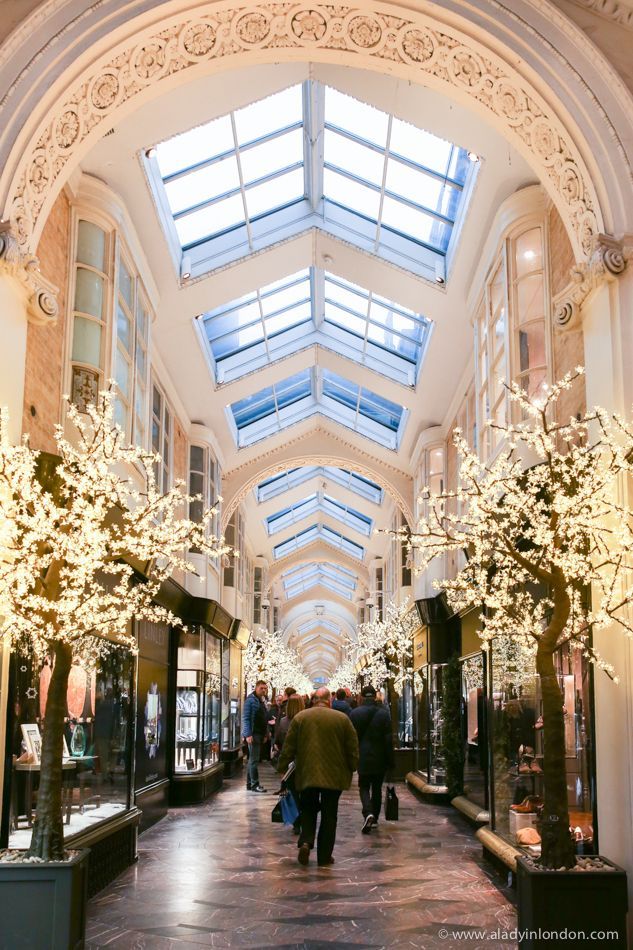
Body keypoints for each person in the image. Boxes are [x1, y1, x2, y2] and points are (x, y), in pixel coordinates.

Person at [278, 687, 359, 868]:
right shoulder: (342, 719)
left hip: (307, 774)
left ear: (314, 700)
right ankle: (324, 856)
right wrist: (353, 766)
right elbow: (352, 747)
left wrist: (282, 768)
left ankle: (306, 841)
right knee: (330, 815)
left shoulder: (301, 718)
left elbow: (288, 746)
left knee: (308, 809)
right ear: (329, 701)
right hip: (334, 775)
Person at [349, 684, 394, 834]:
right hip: (379, 756)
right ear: (375, 696)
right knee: (376, 788)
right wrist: (390, 760)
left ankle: (367, 812)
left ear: (361, 696)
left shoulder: (354, 714)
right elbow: (388, 740)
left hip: (362, 755)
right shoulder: (384, 713)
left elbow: (351, 738)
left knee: (363, 786)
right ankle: (374, 818)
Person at [274, 695, 305, 834]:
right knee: (304, 793)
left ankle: (296, 822)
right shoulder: (306, 720)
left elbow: (279, 742)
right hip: (304, 762)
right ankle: (305, 820)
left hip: (289, 764)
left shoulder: (283, 722)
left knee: (293, 793)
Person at [242, 679, 269, 792]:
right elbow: (246, 718)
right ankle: (254, 784)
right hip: (253, 734)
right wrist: (248, 734)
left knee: (252, 760)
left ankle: (250, 784)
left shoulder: (261, 700)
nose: (263, 690)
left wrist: (266, 733)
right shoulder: (250, 700)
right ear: (256, 688)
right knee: (253, 760)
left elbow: (264, 718)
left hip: (259, 734)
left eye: (265, 688)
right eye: (261, 688)